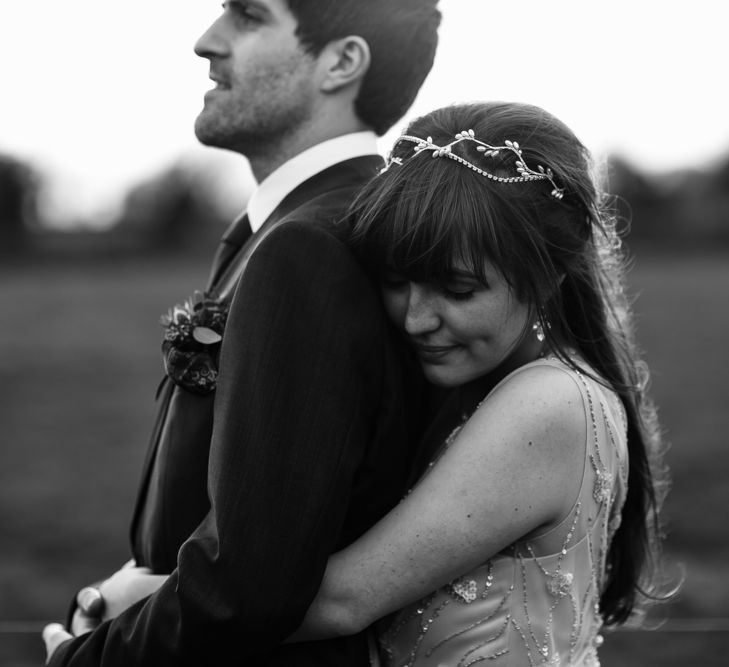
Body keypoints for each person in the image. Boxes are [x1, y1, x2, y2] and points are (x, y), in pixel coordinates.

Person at [42, 1, 441, 665]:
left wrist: (84, 658)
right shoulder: (299, 227)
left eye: (248, 16)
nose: (206, 41)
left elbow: (249, 582)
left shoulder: (310, 246)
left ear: (340, 62)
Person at [281, 101, 671, 665]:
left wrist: (138, 604)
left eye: (457, 291)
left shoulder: (549, 404)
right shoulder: (498, 386)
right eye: (396, 281)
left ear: (548, 275)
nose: (417, 319)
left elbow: (341, 601)